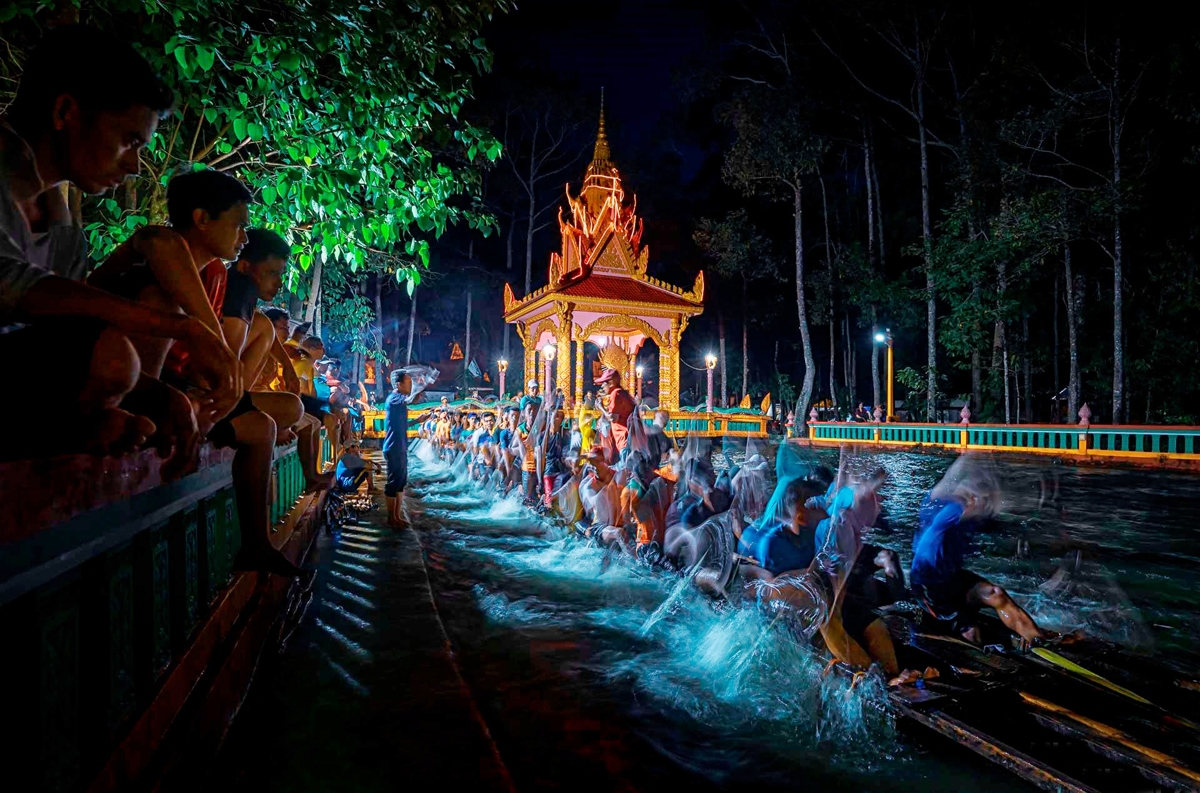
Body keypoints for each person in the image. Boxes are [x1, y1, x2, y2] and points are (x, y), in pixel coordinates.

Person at [0, 25, 237, 461]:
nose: (133, 165)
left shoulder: (62, 224)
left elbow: (60, 338)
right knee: (115, 356)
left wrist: (166, 398)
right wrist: (182, 327)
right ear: (65, 112)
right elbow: (14, 286)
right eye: (129, 141)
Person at [911, 459, 1049, 647]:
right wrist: (968, 458)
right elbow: (950, 481)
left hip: (953, 578)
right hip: (928, 587)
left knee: (996, 594)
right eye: (984, 500)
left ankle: (1038, 642)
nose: (988, 505)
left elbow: (1009, 518)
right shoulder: (948, 511)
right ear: (972, 499)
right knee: (970, 631)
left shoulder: (975, 518)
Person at [384, 368, 414, 527]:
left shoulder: (399, 400)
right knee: (393, 482)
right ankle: (391, 518)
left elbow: (402, 423)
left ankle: (397, 515)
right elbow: (409, 400)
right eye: (408, 381)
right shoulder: (394, 398)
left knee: (401, 482)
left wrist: (419, 420)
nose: (411, 384)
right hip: (394, 446)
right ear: (398, 384)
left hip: (400, 446)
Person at [595, 368, 635, 458]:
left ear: (611, 382)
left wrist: (600, 407)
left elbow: (613, 418)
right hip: (628, 439)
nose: (602, 387)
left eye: (604, 383)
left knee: (625, 469)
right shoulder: (622, 393)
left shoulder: (615, 394)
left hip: (624, 439)